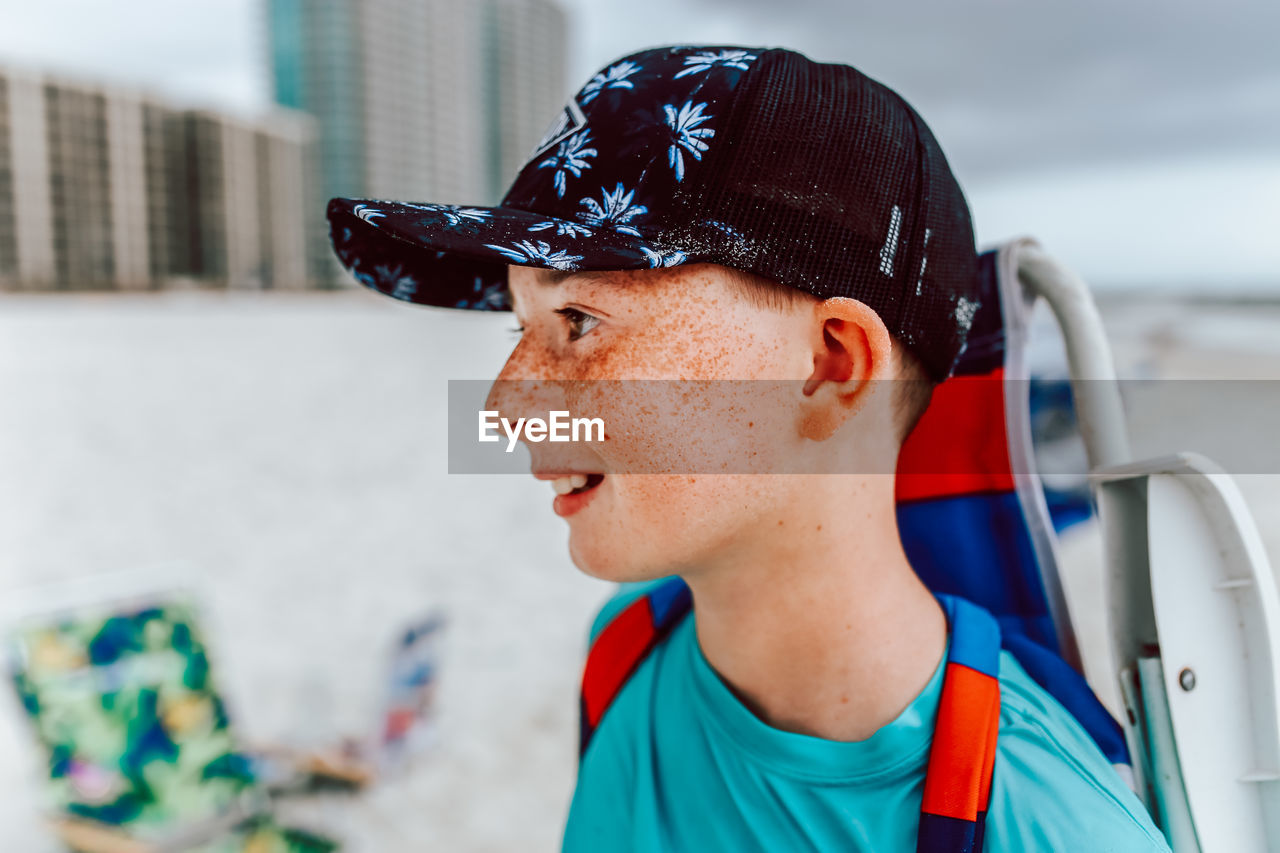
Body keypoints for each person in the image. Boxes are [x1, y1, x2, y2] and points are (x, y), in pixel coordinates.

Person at [326, 45, 1170, 852]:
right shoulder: (626, 646)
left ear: (831, 367)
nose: (507, 405)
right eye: (523, 326)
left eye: (578, 322)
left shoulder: (1051, 826)